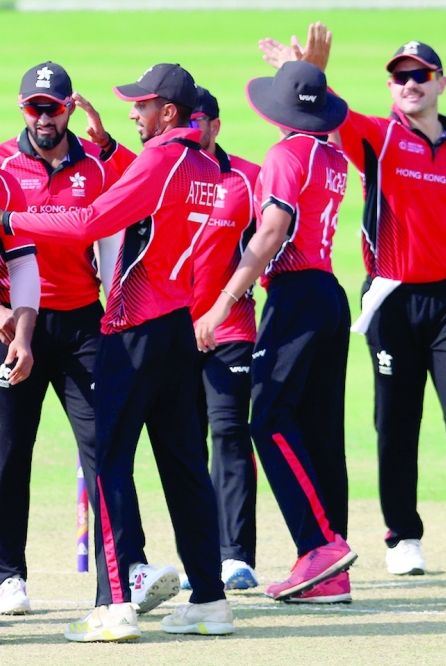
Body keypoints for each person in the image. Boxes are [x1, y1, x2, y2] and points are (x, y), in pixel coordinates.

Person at [0, 63, 235, 643]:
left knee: (108, 461)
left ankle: (113, 607)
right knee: (185, 463)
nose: (132, 113)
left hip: (133, 326)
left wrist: (6, 217)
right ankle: (211, 600)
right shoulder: (209, 164)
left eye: (141, 106)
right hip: (175, 328)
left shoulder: (162, 159)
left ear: (168, 113)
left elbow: (90, 221)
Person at [261, 23, 446, 576]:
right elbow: (325, 113)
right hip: (390, 297)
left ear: (440, 83)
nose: (409, 84)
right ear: (390, 88)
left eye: (419, 76)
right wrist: (304, 73)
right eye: (399, 77)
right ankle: (403, 535)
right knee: (397, 418)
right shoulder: (379, 137)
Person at [0, 61, 176, 616]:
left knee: (105, 448)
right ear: (22, 110)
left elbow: (147, 190)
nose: (44, 117)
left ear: (70, 107)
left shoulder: (97, 164)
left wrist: (111, 144)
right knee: (11, 449)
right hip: (18, 328)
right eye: (34, 108)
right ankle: (9, 576)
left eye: (54, 107)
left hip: (83, 322)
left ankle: (132, 568)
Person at [195, 60, 357, 604]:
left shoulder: (286, 154)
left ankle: (319, 548)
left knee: (266, 420)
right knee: (318, 431)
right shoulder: (333, 153)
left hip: (295, 293)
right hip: (329, 293)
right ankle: (331, 564)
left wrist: (223, 303)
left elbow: (270, 233)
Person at [186, 86, 262, 591]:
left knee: (229, 433)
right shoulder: (162, 172)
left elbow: (273, 247)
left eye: (198, 123)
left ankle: (235, 555)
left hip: (231, 327)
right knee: (186, 446)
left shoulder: (248, 178)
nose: (190, 134)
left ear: (216, 124)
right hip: (171, 330)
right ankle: (198, 556)